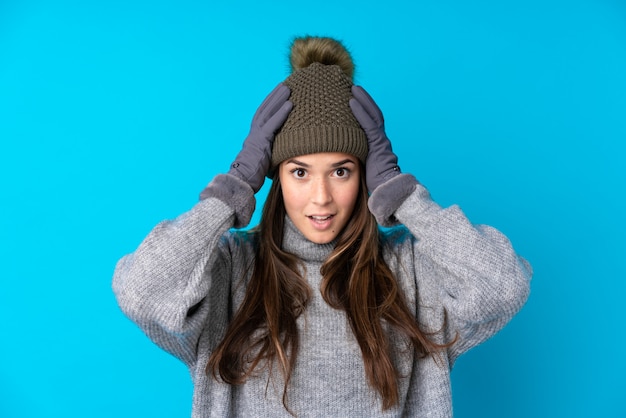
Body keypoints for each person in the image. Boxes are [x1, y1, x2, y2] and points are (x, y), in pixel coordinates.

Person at [113, 36, 532, 417]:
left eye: (341, 172)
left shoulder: (411, 273)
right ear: (274, 175)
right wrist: (235, 187)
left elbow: (503, 285)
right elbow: (142, 291)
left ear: (366, 175)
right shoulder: (229, 270)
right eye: (299, 172)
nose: (321, 198)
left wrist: (400, 194)